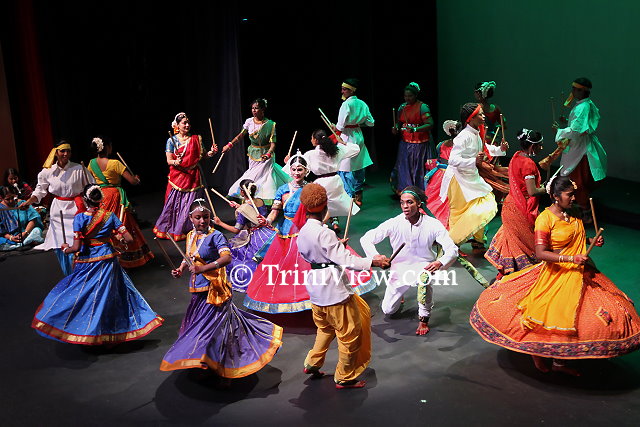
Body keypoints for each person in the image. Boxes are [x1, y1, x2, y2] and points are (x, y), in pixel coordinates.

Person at [470, 176, 640, 376]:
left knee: (583, 317)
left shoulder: (574, 212)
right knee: (556, 314)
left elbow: (575, 236)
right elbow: (541, 253)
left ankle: (560, 362)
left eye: (574, 194)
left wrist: (591, 239)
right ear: (556, 197)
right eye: (570, 195)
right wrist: (571, 258)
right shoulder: (545, 219)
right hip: (557, 271)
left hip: (581, 270)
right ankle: (538, 353)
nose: (574, 198)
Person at [160, 199, 282, 379]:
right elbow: (189, 256)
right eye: (198, 218)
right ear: (190, 218)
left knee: (217, 331)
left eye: (206, 217)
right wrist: (181, 269)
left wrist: (203, 269)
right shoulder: (191, 235)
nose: (202, 221)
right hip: (198, 292)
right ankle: (207, 360)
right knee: (200, 327)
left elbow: (226, 258)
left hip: (215, 291)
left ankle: (225, 369)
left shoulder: (216, 236)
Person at [32, 185, 163, 345]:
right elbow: (129, 239)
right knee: (111, 296)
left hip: (88, 263)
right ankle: (112, 333)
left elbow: (77, 247)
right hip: (109, 262)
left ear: (85, 200)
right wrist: (115, 239)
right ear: (100, 199)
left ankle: (88, 330)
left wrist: (66, 249)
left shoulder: (79, 218)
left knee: (85, 295)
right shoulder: (110, 216)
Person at [244, 153, 374, 313]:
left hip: (306, 231)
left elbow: (327, 211)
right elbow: (274, 212)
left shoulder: (311, 189)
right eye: (294, 169)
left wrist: (320, 225)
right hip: (285, 233)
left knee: (309, 266)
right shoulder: (283, 190)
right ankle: (294, 298)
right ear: (289, 171)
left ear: (306, 171)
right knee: (287, 271)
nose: (296, 173)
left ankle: (314, 300)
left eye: (300, 169)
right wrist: (268, 221)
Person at [297, 183, 390, 388]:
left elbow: (313, 254)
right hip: (333, 291)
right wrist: (373, 262)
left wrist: (336, 248)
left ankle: (312, 363)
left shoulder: (303, 231)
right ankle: (345, 377)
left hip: (315, 288)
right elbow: (347, 261)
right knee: (350, 334)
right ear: (324, 206)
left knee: (325, 328)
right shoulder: (325, 233)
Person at [360, 186, 458, 335]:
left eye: (410, 202)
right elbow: (366, 238)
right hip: (399, 269)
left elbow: (452, 249)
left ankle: (423, 319)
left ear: (419, 204)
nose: (405, 206)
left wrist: (440, 262)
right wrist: (376, 257)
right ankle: (400, 295)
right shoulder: (394, 223)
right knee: (387, 310)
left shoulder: (433, 224)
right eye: (402, 203)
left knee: (424, 283)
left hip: (423, 267)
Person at [440, 103, 508, 250]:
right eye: (480, 114)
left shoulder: (477, 133)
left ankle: (477, 239)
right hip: (458, 179)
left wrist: (500, 149)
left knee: (484, 203)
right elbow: (452, 160)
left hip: (470, 177)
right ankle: (452, 241)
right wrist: (473, 161)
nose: (484, 116)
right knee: (459, 213)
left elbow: (485, 149)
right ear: (470, 118)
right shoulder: (463, 136)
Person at [22, 140, 95, 275]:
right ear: (56, 153)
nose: (66, 154)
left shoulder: (79, 169)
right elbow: (39, 191)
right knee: (60, 243)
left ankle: (84, 273)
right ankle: (68, 274)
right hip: (58, 211)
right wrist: (28, 202)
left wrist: (92, 205)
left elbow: (91, 187)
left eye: (68, 151)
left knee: (79, 241)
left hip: (76, 209)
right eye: (62, 151)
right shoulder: (47, 172)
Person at [485, 129, 546, 279]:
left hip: (509, 205)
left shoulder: (516, 156)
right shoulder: (528, 164)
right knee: (530, 245)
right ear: (532, 147)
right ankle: (520, 280)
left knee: (513, 243)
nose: (541, 148)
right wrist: (548, 188)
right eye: (540, 145)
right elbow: (532, 191)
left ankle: (506, 277)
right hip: (521, 209)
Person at [87, 136, 153, 268]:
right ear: (107, 147)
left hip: (101, 197)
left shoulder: (91, 163)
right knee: (122, 223)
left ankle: (108, 255)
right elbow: (132, 182)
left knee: (105, 224)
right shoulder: (115, 163)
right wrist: (136, 179)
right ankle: (129, 258)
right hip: (115, 197)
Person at [154, 112, 213, 241]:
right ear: (177, 125)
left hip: (193, 176)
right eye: (184, 123)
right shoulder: (171, 140)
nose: (187, 125)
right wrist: (176, 162)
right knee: (175, 205)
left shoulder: (195, 139)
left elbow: (203, 156)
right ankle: (176, 229)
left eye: (188, 122)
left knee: (191, 203)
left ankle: (191, 228)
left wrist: (211, 152)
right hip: (178, 177)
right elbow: (169, 160)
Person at [288, 129, 361, 233]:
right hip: (336, 182)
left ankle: (319, 225)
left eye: (312, 138)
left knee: (320, 205)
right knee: (331, 205)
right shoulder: (337, 150)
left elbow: (299, 164)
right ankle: (328, 224)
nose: (311, 140)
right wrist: (343, 143)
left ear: (315, 140)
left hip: (322, 184)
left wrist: (289, 161)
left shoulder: (311, 154)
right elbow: (356, 149)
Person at [554, 77, 607, 214]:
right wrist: (566, 122)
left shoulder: (582, 107)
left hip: (579, 149)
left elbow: (577, 131)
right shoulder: (586, 104)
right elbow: (581, 126)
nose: (572, 91)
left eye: (575, 89)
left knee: (577, 180)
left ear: (582, 91)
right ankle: (579, 207)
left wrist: (559, 131)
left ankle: (585, 211)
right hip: (580, 146)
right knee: (576, 178)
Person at [213, 179, 276, 293]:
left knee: (234, 250)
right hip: (267, 231)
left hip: (256, 236)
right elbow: (251, 210)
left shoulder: (243, 209)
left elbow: (236, 230)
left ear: (242, 192)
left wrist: (220, 223)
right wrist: (239, 206)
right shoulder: (260, 201)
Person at [223, 98, 290, 204]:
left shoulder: (270, 124)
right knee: (253, 174)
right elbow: (241, 135)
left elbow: (273, 143)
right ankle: (247, 194)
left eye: (256, 108)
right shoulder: (249, 122)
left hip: (267, 155)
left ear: (263, 109)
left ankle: (265, 198)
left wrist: (268, 154)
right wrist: (229, 145)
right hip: (253, 153)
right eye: (253, 108)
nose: (254, 110)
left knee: (266, 176)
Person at [331, 78, 375, 206]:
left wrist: (335, 127)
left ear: (352, 90)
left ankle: (349, 198)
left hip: (347, 137)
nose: (342, 91)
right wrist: (357, 123)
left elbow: (340, 127)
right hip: (358, 135)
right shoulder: (362, 103)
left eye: (345, 89)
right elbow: (371, 122)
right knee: (358, 166)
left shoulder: (346, 105)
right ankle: (358, 194)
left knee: (346, 167)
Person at [390, 82, 435, 195]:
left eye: (410, 96)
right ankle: (406, 189)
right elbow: (399, 124)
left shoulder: (422, 107)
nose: (407, 98)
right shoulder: (402, 107)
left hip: (420, 144)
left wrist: (415, 129)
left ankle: (420, 190)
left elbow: (430, 124)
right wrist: (395, 128)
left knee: (418, 168)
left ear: (415, 96)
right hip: (405, 143)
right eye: (406, 96)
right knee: (405, 167)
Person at [474, 81, 510, 204]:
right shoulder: (495, 108)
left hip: (482, 142)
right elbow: (504, 125)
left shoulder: (476, 109)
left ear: (479, 94)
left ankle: (484, 199)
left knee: (484, 172)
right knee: (494, 171)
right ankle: (496, 197)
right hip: (494, 142)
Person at [424, 120, 458, 228]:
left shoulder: (444, 144)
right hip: (444, 176)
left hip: (447, 175)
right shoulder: (443, 145)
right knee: (438, 200)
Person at [0, 185, 44, 250]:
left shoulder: (23, 204)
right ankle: (24, 244)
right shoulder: (1, 209)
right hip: (9, 237)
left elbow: (33, 219)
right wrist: (11, 237)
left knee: (36, 230)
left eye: (12, 198)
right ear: (2, 198)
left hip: (26, 234)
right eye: (7, 199)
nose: (11, 201)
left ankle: (19, 245)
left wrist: (25, 233)